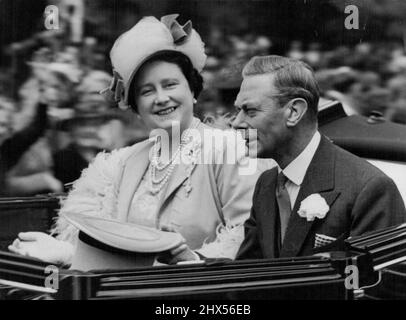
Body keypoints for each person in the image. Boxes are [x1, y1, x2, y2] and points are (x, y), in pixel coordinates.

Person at [9, 15, 272, 267]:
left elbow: (249, 241)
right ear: (136, 107)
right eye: (147, 91)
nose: (160, 98)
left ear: (192, 91)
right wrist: (66, 253)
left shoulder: (233, 149)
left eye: (170, 85)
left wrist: (190, 260)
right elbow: (112, 254)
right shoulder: (124, 163)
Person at [232, 55, 406, 260]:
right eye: (238, 111)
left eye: (250, 111)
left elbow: (376, 286)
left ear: (294, 112)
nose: (236, 122)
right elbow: (248, 272)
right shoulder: (267, 183)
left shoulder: (369, 188)